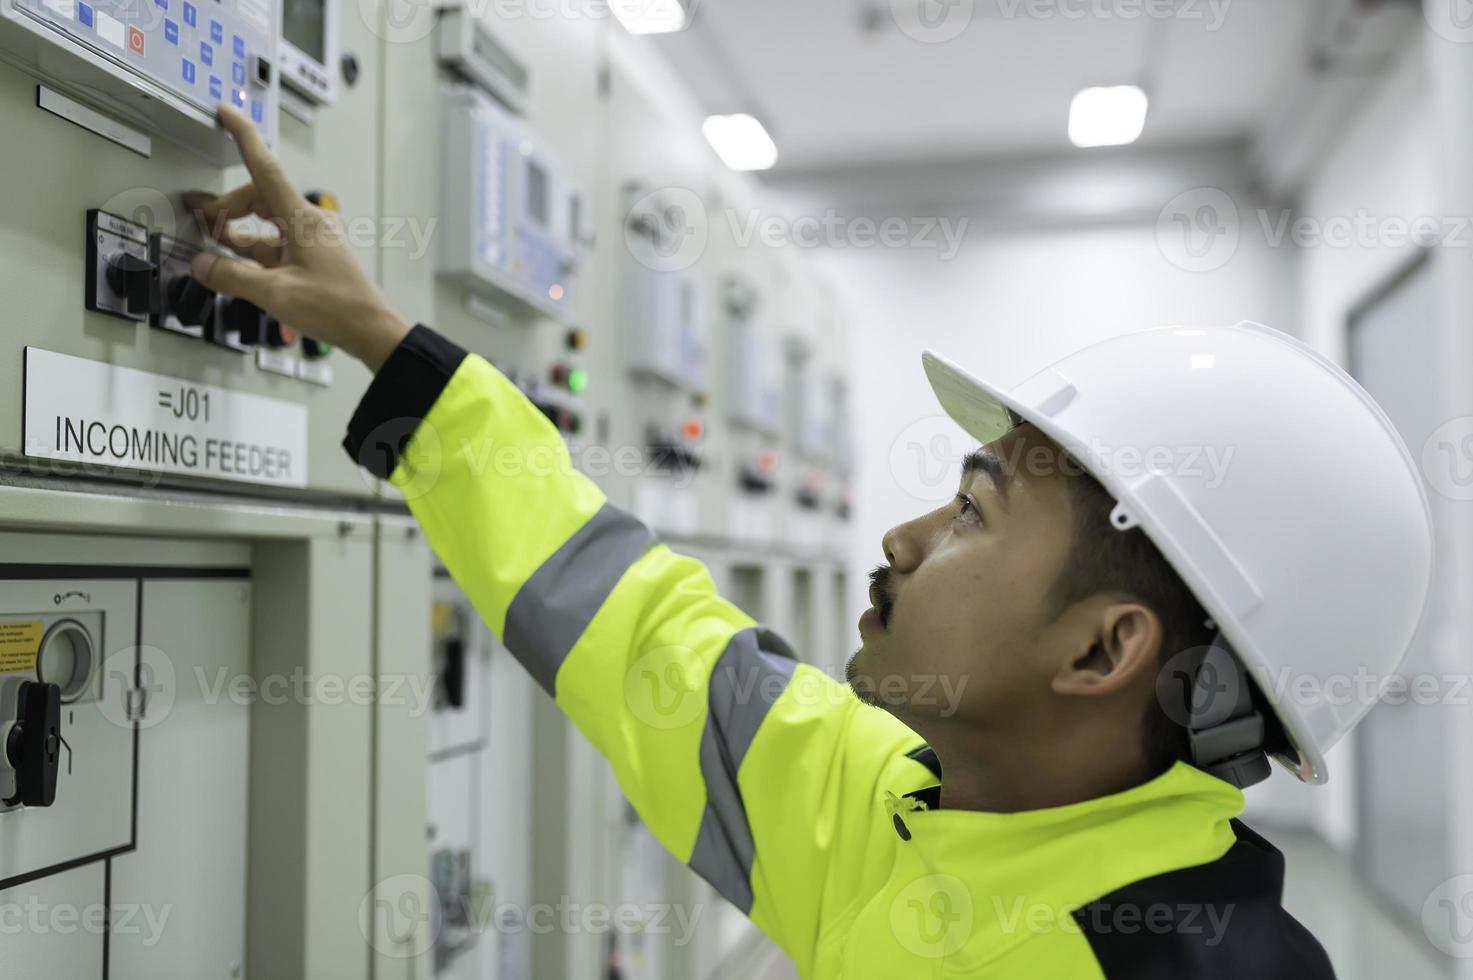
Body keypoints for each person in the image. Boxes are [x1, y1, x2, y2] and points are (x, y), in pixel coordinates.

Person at [185, 104, 1433, 978]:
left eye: (972, 511)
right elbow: (636, 622)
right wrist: (390, 347)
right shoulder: (901, 804)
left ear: (1107, 647)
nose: (901, 535)